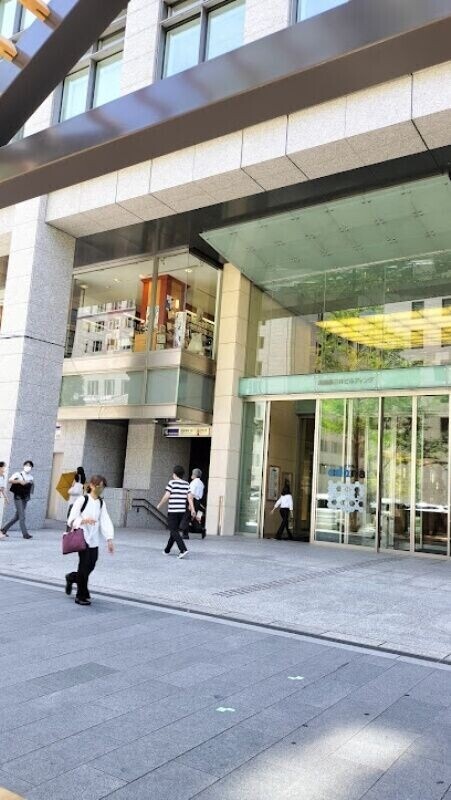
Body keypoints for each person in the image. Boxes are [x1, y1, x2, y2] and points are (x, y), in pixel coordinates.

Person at [65, 474, 114, 606]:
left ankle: (72, 577)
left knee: (91, 564)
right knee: (84, 565)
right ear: (92, 485)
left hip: (94, 539)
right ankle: (81, 595)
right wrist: (84, 520)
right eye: (99, 486)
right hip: (82, 537)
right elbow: (71, 519)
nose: (100, 489)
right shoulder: (82, 500)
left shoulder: (101, 503)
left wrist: (109, 539)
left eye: (103, 487)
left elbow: (105, 520)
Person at [157, 465, 195, 559]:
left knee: (173, 531)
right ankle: (167, 550)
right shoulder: (186, 484)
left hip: (173, 511)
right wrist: (193, 509)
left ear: (174, 474)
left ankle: (183, 549)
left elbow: (167, 496)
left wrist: (160, 504)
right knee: (174, 531)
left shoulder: (172, 483)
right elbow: (190, 498)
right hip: (181, 512)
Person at [1, 460, 34, 540]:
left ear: (31, 467)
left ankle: (3, 530)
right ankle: (25, 534)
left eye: (30, 466)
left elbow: (31, 488)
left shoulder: (31, 477)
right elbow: (10, 480)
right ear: (23, 466)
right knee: (22, 516)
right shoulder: (18, 474)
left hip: (25, 498)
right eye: (26, 465)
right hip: (18, 497)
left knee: (17, 517)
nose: (28, 467)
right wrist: (19, 481)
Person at [182, 468, 206, 540]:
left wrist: (190, 505)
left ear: (195, 475)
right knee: (194, 518)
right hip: (198, 501)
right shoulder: (201, 483)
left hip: (192, 500)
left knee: (186, 517)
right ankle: (201, 529)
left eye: (192, 473)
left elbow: (191, 494)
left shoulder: (193, 483)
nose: (191, 475)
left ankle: (185, 535)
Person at [0, 461, 9, 540]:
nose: (4, 468)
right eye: (3, 467)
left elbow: (2, 488)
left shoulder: (2, 476)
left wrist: (6, 497)